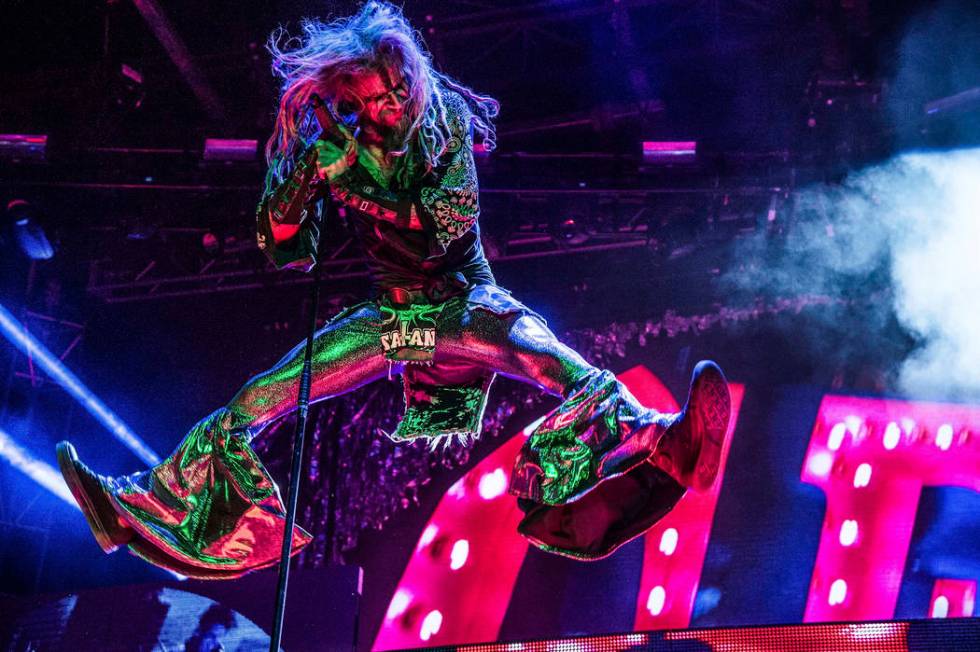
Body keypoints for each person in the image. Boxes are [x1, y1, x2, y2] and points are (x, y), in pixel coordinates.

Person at [56, 1, 731, 579]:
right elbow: (283, 246)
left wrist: (349, 182)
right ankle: (150, 507)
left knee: (545, 353)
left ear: (407, 82)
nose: (382, 111)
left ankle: (660, 441)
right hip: (400, 324)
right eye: (365, 103)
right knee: (261, 397)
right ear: (343, 98)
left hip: (466, 305)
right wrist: (301, 177)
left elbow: (446, 224)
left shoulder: (444, 126)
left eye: (389, 96)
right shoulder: (328, 138)